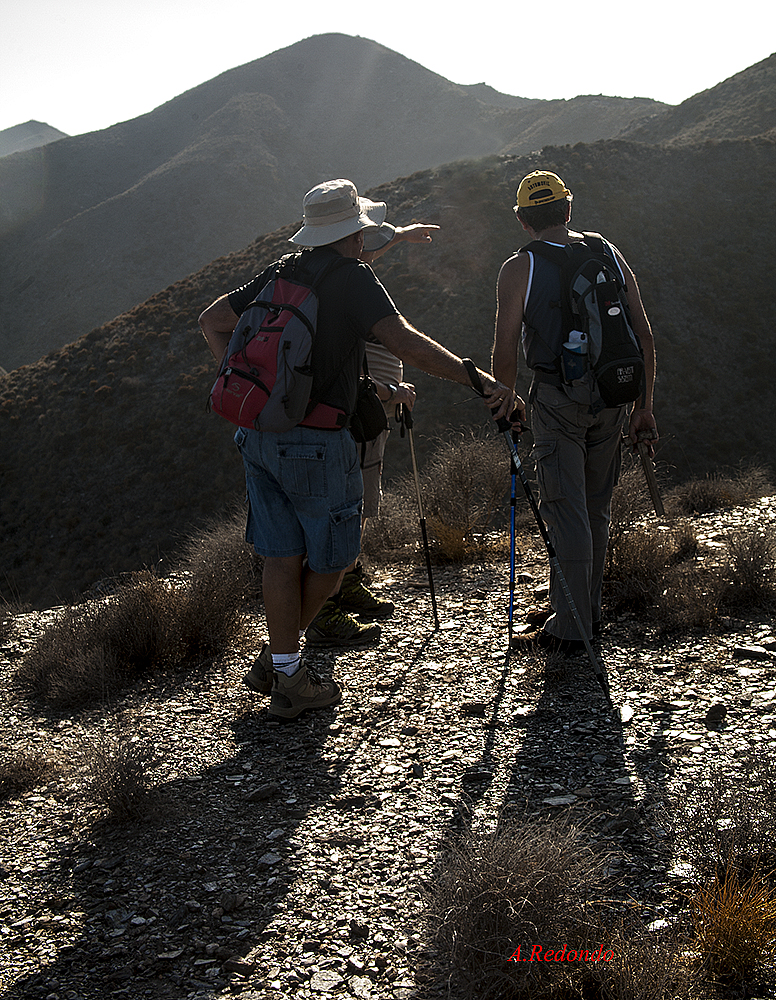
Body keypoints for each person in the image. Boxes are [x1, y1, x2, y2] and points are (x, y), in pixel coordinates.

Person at [199, 178, 513, 719]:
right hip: (318, 440)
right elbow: (404, 342)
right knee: (337, 559)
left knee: (279, 555)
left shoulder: (281, 270)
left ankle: (281, 662)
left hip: (256, 435)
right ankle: (287, 672)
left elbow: (212, 321)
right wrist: (479, 381)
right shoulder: (352, 277)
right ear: (355, 233)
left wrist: (263, 388)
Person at [491, 170, 657, 655]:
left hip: (557, 401)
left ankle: (571, 630)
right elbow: (643, 334)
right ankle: (587, 613)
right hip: (613, 397)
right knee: (595, 507)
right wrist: (644, 408)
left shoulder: (518, 268)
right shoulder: (605, 251)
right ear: (568, 210)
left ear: (523, 221)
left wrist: (508, 403)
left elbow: (503, 353)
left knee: (566, 510)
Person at [306, 219, 440, 641]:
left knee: (358, 502)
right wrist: (393, 392)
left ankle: (346, 582)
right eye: (362, 236)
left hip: (365, 411)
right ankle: (326, 606)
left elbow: (365, 256)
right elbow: (361, 374)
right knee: (352, 504)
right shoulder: (350, 286)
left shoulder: (335, 277)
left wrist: (399, 236)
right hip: (362, 409)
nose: (367, 247)